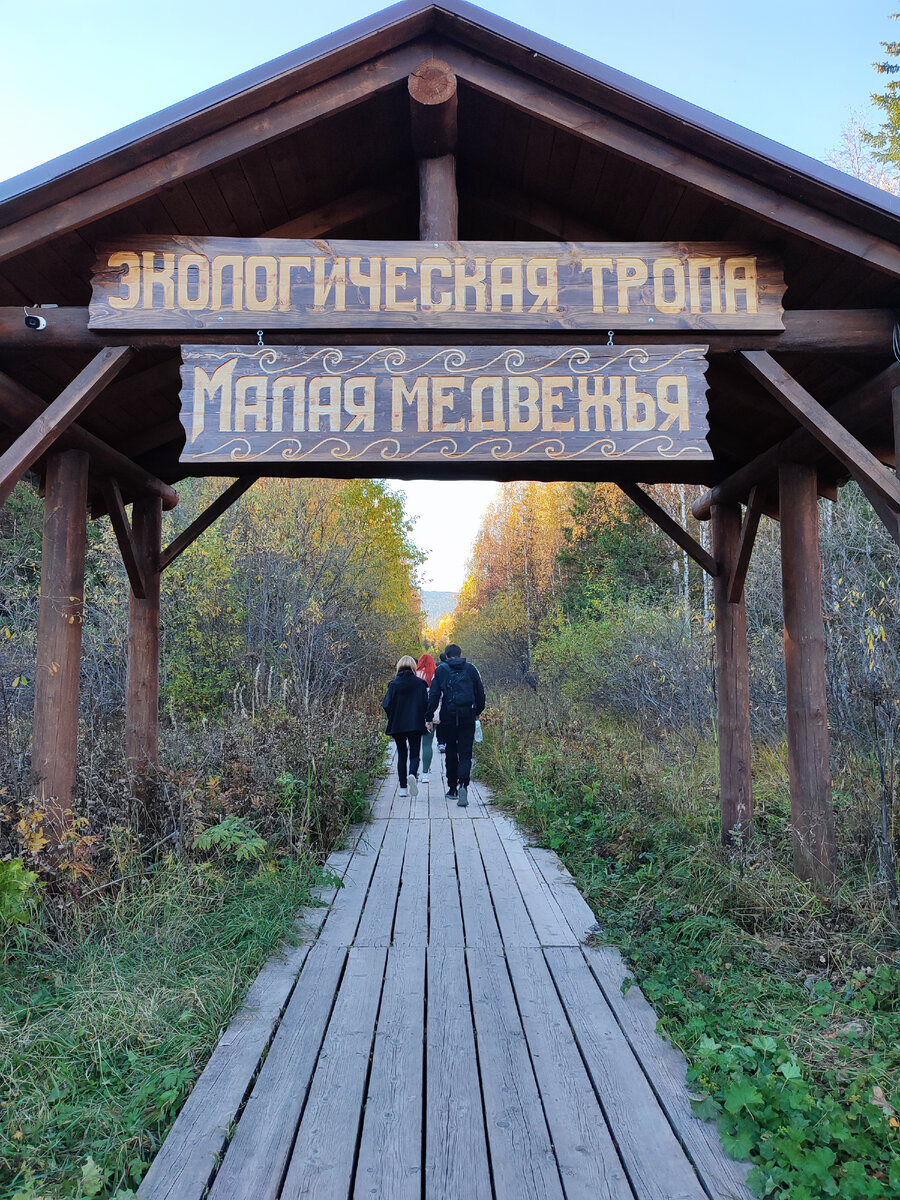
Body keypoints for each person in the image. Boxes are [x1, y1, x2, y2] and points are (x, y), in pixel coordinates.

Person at [426, 643, 485, 807]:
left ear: (446, 655)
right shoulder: (471, 668)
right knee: (466, 752)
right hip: (467, 714)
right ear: (460, 654)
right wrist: (478, 711)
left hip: (448, 716)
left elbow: (435, 695)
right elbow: (480, 692)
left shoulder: (441, 670)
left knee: (451, 751)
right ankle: (463, 785)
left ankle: (452, 788)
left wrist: (429, 716)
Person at [382, 655, 428, 797]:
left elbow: (386, 704)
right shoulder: (421, 684)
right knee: (414, 753)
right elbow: (425, 704)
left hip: (398, 725)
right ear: (414, 667)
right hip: (415, 724)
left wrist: (393, 716)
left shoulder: (393, 684)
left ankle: (402, 788)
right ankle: (412, 774)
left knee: (402, 754)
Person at [415, 653, 437, 783]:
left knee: (414, 743)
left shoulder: (416, 674)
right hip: (432, 713)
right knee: (428, 743)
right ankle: (425, 773)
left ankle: (413, 770)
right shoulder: (436, 674)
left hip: (416, 712)